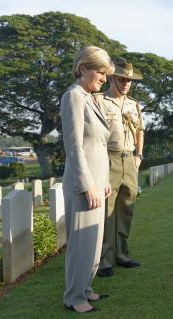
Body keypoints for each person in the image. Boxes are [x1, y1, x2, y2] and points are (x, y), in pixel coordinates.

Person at [61, 46, 113, 313]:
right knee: (81, 243)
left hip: (97, 182)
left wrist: (102, 179)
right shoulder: (73, 97)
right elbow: (74, 147)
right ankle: (73, 297)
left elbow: (99, 145)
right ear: (83, 69)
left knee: (94, 242)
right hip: (82, 184)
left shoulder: (92, 98)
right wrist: (87, 184)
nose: (104, 78)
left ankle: (86, 288)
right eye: (101, 72)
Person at [95, 57, 144, 277]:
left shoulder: (134, 104)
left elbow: (140, 130)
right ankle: (104, 261)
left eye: (130, 80)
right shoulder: (99, 101)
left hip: (129, 160)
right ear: (112, 78)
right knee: (107, 211)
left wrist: (139, 155)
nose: (126, 83)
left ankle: (122, 255)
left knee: (126, 209)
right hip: (109, 159)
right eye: (122, 79)